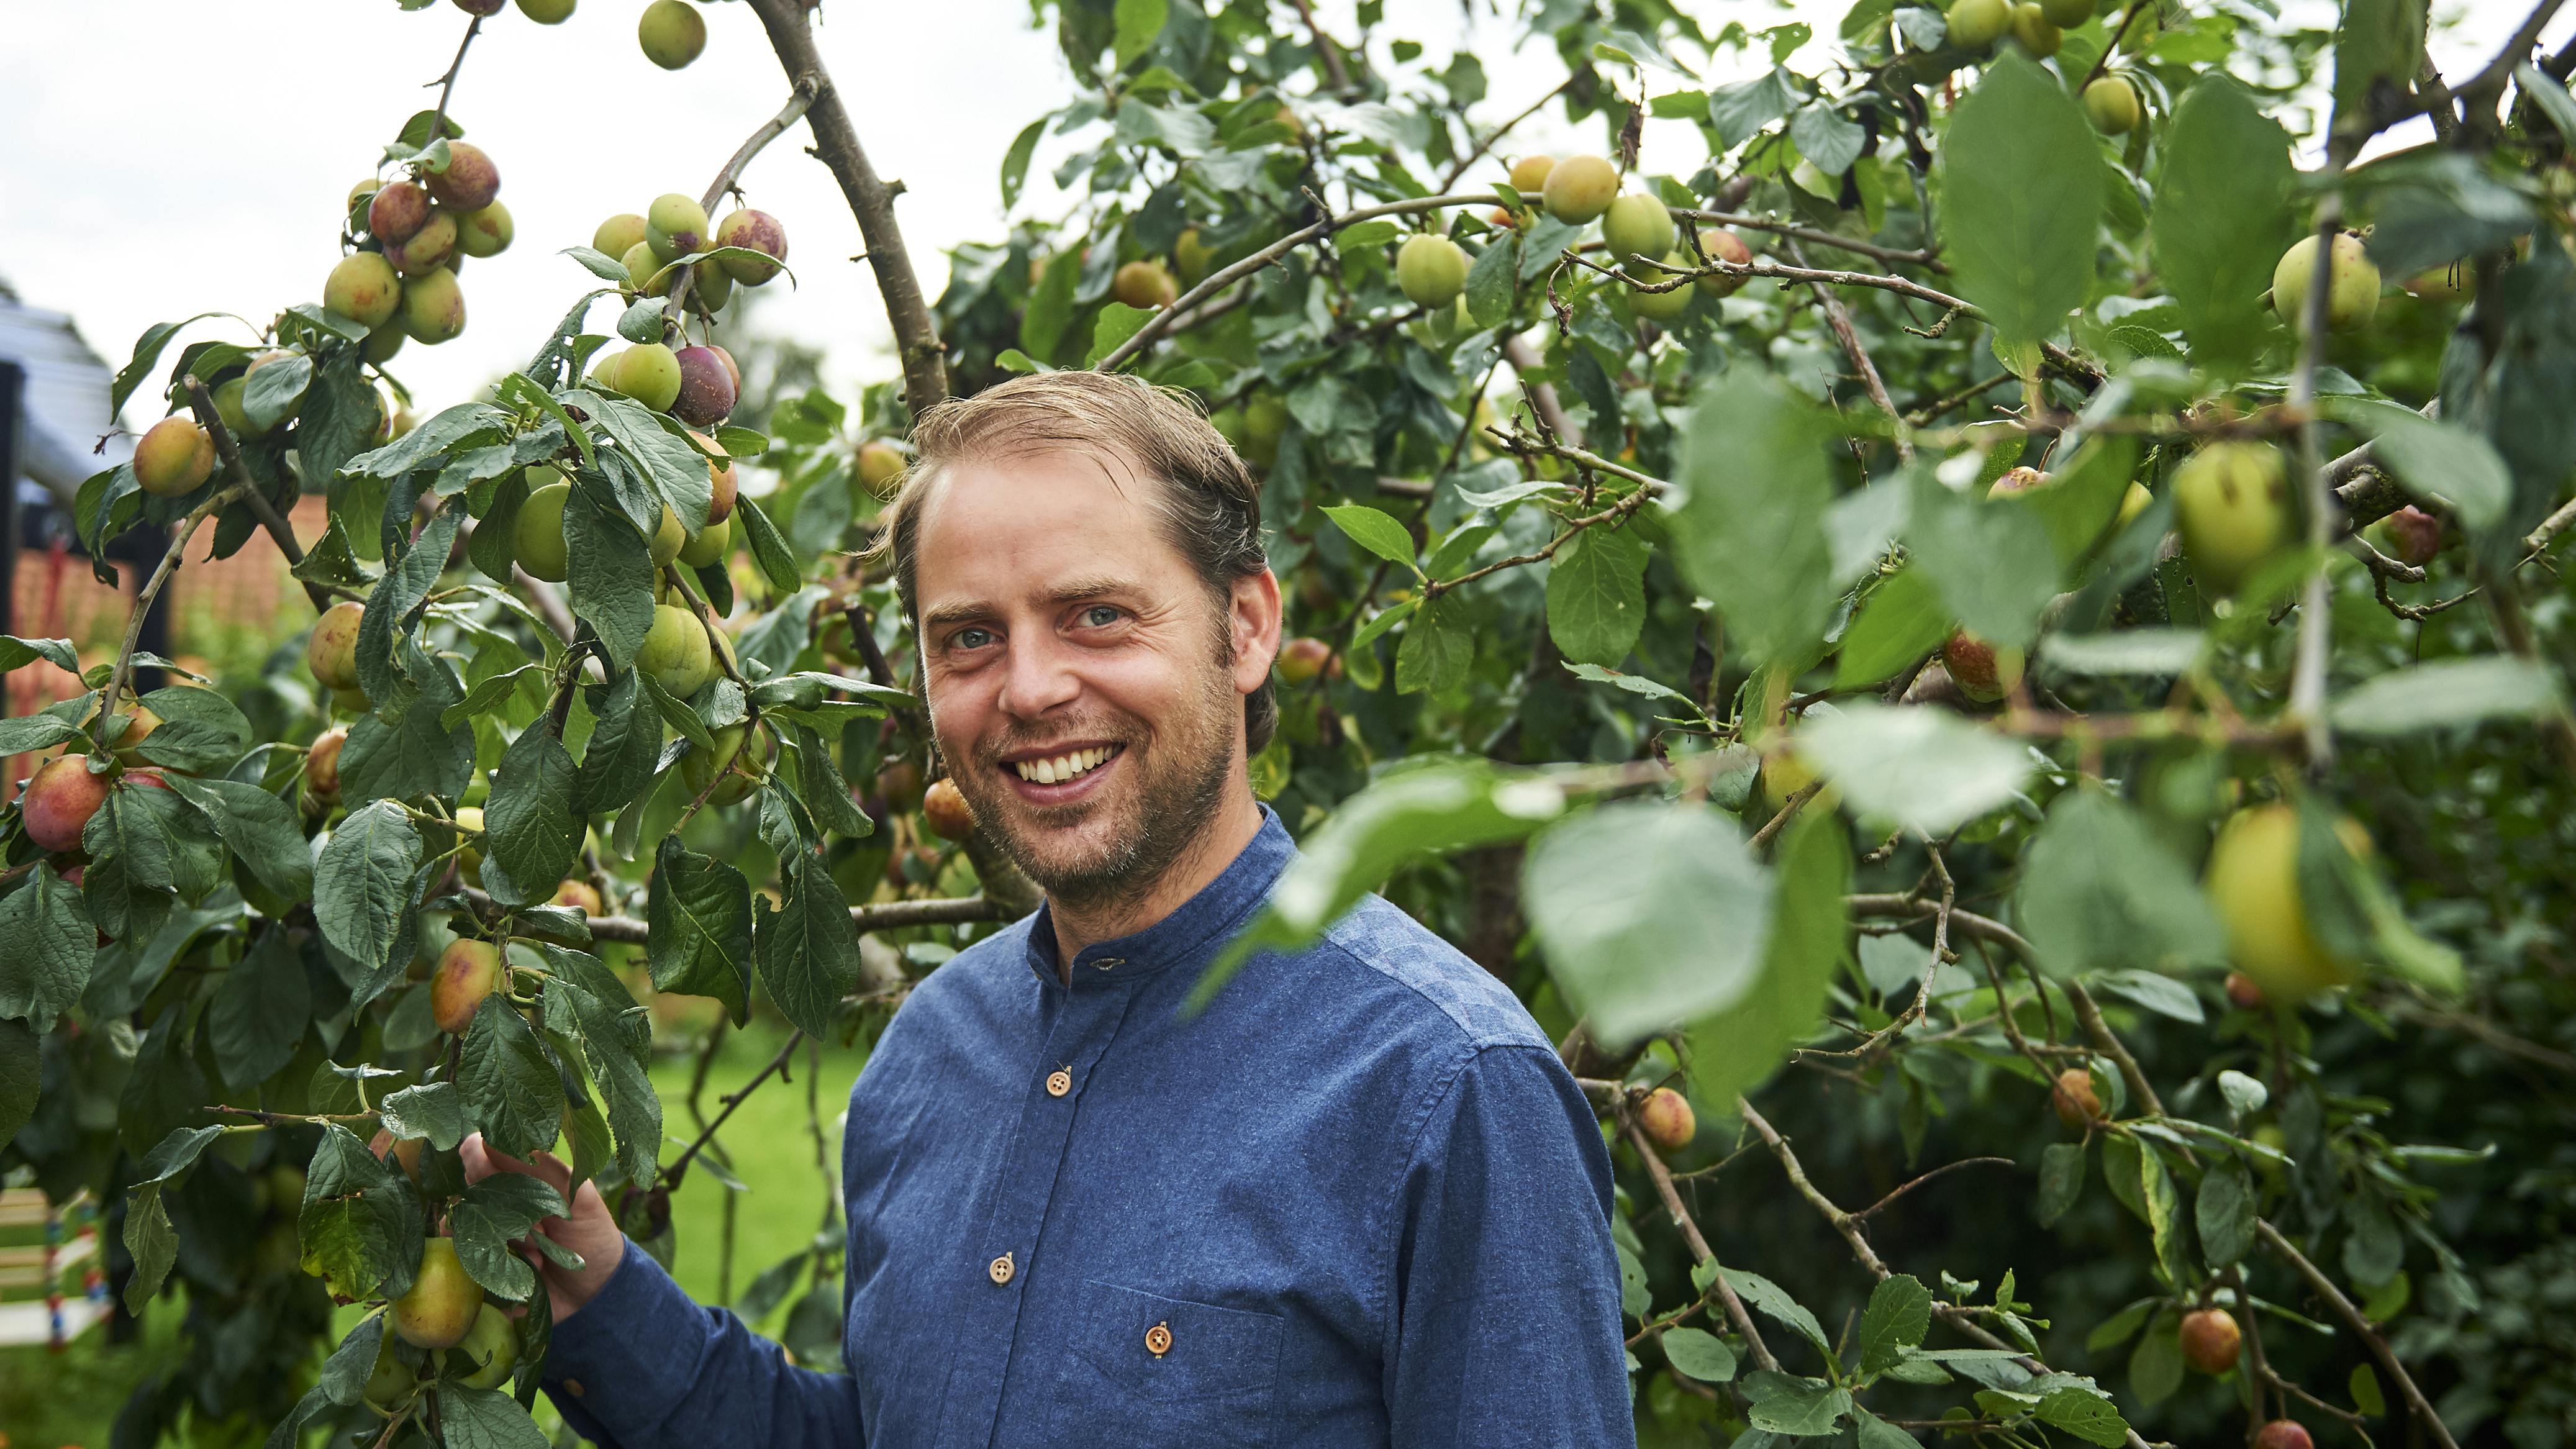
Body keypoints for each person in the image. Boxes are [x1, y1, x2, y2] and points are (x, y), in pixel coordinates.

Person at [464, 371, 1633, 1447]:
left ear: (1248, 626)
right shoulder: (929, 1055)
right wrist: (593, 1281)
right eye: (969, 637)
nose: (1027, 689)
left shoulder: (1445, 1090)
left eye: (1097, 616)